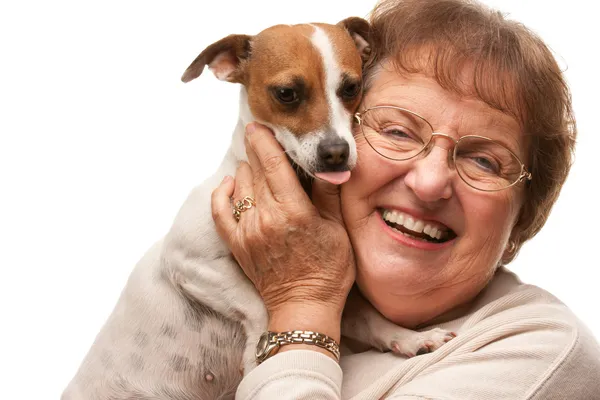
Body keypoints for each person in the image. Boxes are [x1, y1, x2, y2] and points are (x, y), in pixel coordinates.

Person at [211, 0, 600, 398]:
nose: (430, 183)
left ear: (523, 219)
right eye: (397, 132)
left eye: (484, 161)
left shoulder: (538, 353)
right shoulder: (231, 275)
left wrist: (305, 299)